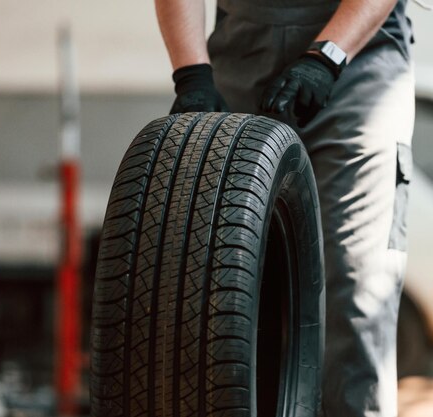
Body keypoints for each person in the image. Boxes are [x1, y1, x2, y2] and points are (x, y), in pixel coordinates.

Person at [154, 0, 415, 416]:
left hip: (357, 59)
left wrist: (327, 57)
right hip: (239, 56)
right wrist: (192, 77)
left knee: (354, 292)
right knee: (223, 300)